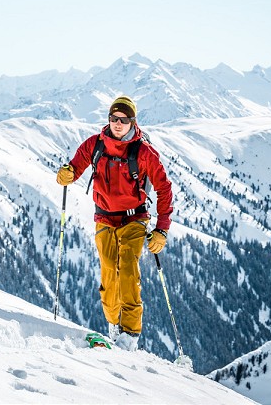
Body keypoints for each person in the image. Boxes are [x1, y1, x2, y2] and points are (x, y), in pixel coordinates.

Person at [56, 95, 173, 351]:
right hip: (104, 218)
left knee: (128, 270)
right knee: (109, 272)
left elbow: (164, 188)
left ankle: (129, 335)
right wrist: (67, 174)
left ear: (132, 121)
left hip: (134, 217)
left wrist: (161, 229)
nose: (117, 123)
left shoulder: (144, 152)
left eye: (123, 119)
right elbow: (75, 167)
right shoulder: (95, 145)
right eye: (113, 118)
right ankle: (113, 325)